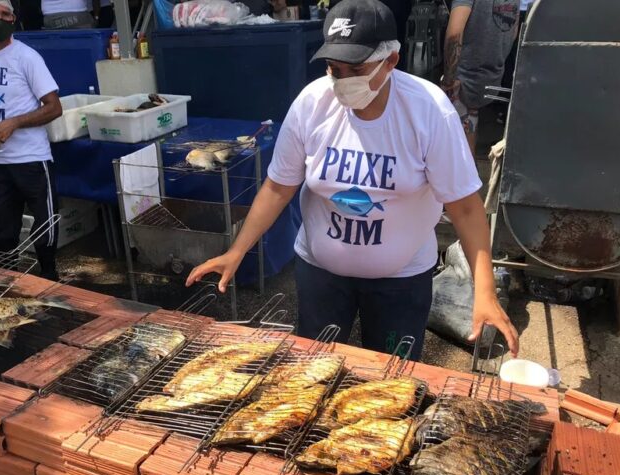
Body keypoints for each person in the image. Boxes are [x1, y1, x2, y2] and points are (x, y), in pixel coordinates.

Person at [186, 0, 519, 359]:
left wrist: (484, 291)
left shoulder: (428, 110)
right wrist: (236, 251)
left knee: (394, 381)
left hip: (401, 280)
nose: (343, 81)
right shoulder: (312, 103)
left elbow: (466, 208)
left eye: (356, 69)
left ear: (391, 61)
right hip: (322, 275)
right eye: (334, 68)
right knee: (312, 370)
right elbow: (279, 186)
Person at [0, 0, 63, 280]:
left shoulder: (26, 57)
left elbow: (54, 107)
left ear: (14, 18)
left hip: (31, 158)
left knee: (45, 229)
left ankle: (50, 279)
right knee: (1, 231)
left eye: (6, 14)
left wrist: (15, 122)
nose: (0, 19)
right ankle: (6, 284)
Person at [441, 0, 519, 153]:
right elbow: (514, 28)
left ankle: (465, 172)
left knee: (455, 139)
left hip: (464, 74)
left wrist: (449, 78)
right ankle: (469, 171)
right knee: (471, 119)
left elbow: (454, 34)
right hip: (493, 72)